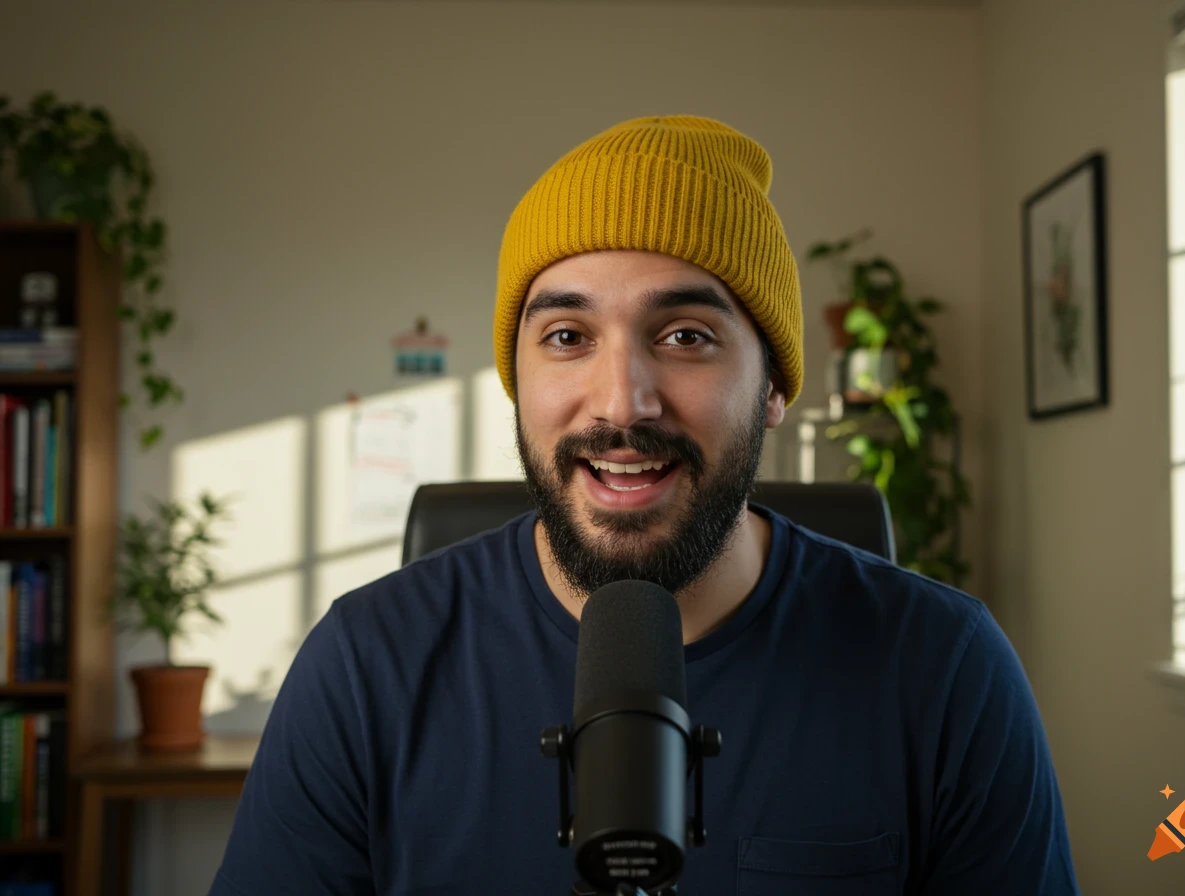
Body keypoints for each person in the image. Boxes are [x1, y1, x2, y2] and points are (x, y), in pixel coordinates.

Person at [208, 115, 1080, 895]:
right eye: (566, 337)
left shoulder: (945, 668)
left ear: (774, 386)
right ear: (519, 383)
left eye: (686, 337)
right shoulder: (365, 666)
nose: (621, 404)